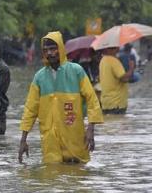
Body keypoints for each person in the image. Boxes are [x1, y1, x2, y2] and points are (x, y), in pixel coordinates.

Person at [19, 32, 103, 164]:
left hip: (74, 135)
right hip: (50, 139)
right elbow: (30, 109)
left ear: (61, 48)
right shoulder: (39, 77)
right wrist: (23, 140)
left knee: (78, 172)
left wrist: (91, 129)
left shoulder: (76, 71)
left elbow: (92, 99)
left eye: (53, 49)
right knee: (52, 175)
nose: (50, 53)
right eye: (46, 50)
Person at [99, 45, 134, 115]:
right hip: (117, 103)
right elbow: (124, 78)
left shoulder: (103, 60)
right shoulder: (114, 61)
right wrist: (131, 68)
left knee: (109, 124)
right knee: (118, 123)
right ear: (115, 49)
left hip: (106, 102)